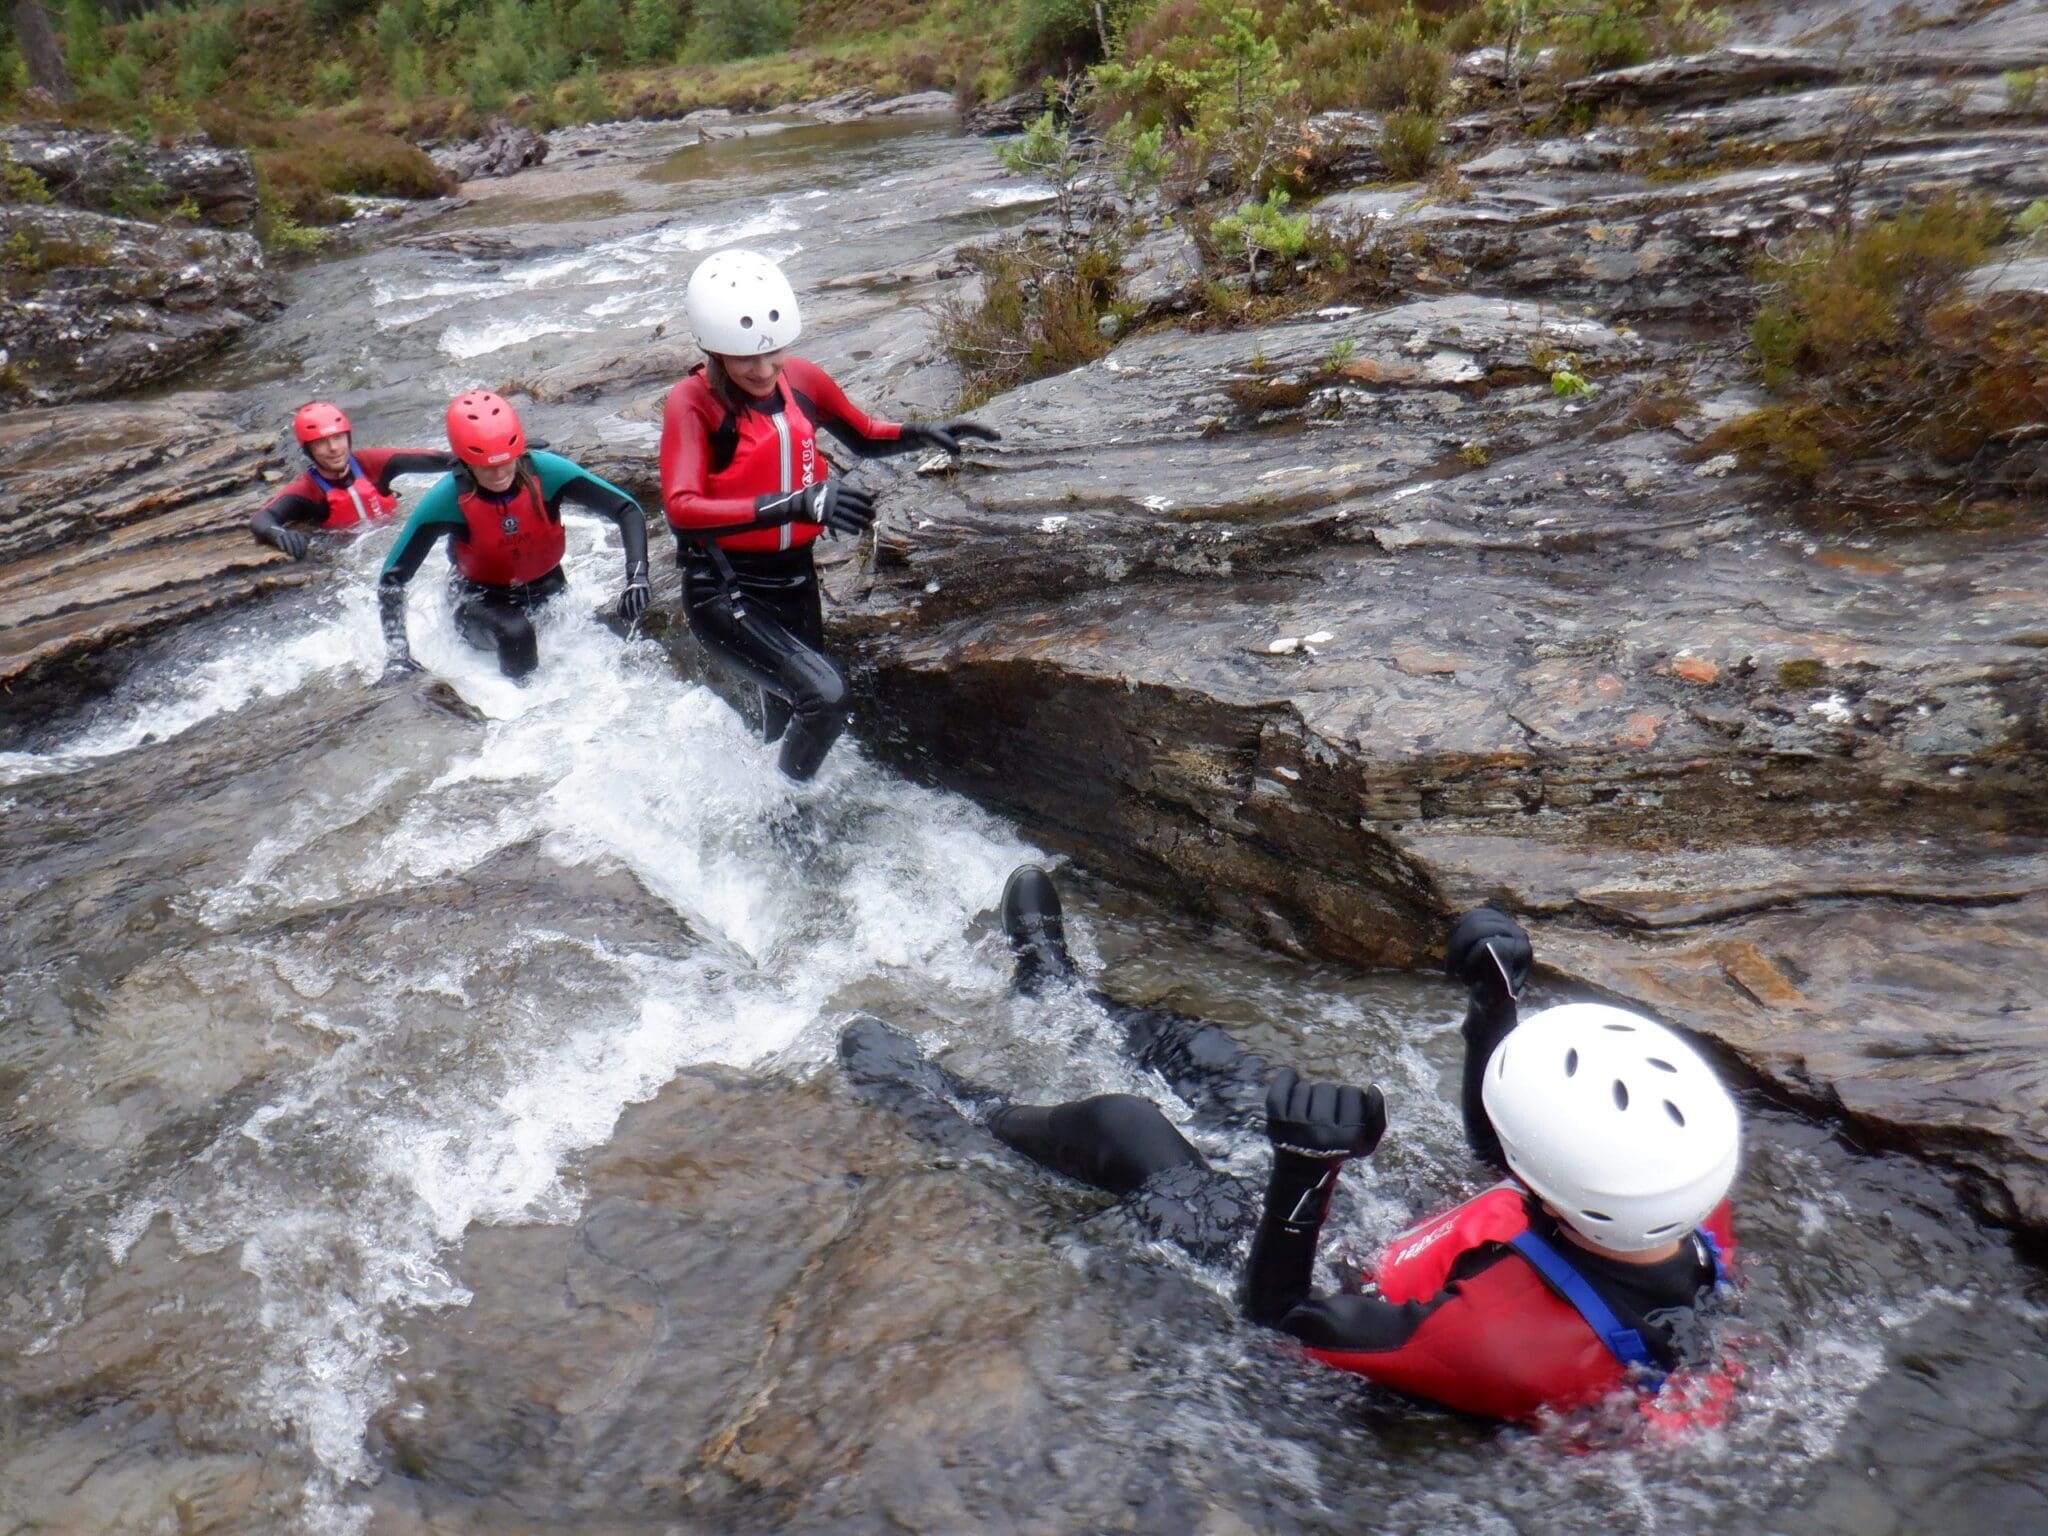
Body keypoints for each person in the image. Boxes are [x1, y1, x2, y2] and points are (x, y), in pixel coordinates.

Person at [839, 868, 1741, 1427]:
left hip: (1331, 1291)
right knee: (1222, 1068)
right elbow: (1509, 1163)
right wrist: (1495, 1008)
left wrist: (1304, 1172)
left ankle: (943, 1102)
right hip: (1443, 1248)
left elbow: (1280, 1318)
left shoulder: (1493, 1344)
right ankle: (1055, 992)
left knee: (1132, 1133)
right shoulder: (1672, 1182)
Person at [659, 248, 1001, 781]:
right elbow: (681, 510)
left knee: (790, 708)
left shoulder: (801, 379)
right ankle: (786, 813)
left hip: (794, 580)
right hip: (722, 590)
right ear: (713, 349)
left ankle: (774, 807)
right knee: (826, 698)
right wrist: (796, 503)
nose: (765, 368)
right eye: (747, 358)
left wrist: (923, 432)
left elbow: (863, 435)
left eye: (774, 352)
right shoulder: (692, 403)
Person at [378, 391, 651, 681]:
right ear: (465, 462)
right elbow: (392, 578)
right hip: (477, 599)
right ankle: (527, 707)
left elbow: (626, 509)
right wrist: (398, 656)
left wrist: (637, 576)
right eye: (487, 467)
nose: (498, 474)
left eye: (506, 462)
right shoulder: (446, 499)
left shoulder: (547, 471)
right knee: (516, 632)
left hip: (547, 586)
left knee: (603, 634)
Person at [250, 401, 456, 558]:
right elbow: (262, 518)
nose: (334, 448)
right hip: (349, 557)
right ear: (308, 450)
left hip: (396, 537)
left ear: (348, 438)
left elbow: (436, 460)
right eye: (322, 442)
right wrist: (278, 534)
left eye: (338, 438)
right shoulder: (307, 490)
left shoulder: (372, 462)